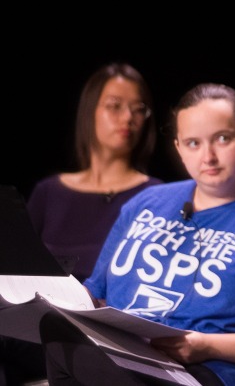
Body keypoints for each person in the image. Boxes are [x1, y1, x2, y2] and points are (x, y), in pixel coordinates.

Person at [40, 82, 235, 386]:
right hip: (129, 357)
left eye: (222, 139)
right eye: (193, 143)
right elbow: (96, 293)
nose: (208, 157)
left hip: (214, 373)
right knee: (57, 330)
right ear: (178, 147)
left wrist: (205, 345)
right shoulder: (146, 203)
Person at [1, 62, 164, 386]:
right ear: (90, 111)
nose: (128, 118)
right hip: (37, 325)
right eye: (115, 106)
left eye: (138, 109)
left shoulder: (156, 196)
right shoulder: (50, 192)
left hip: (108, 332)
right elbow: (17, 268)